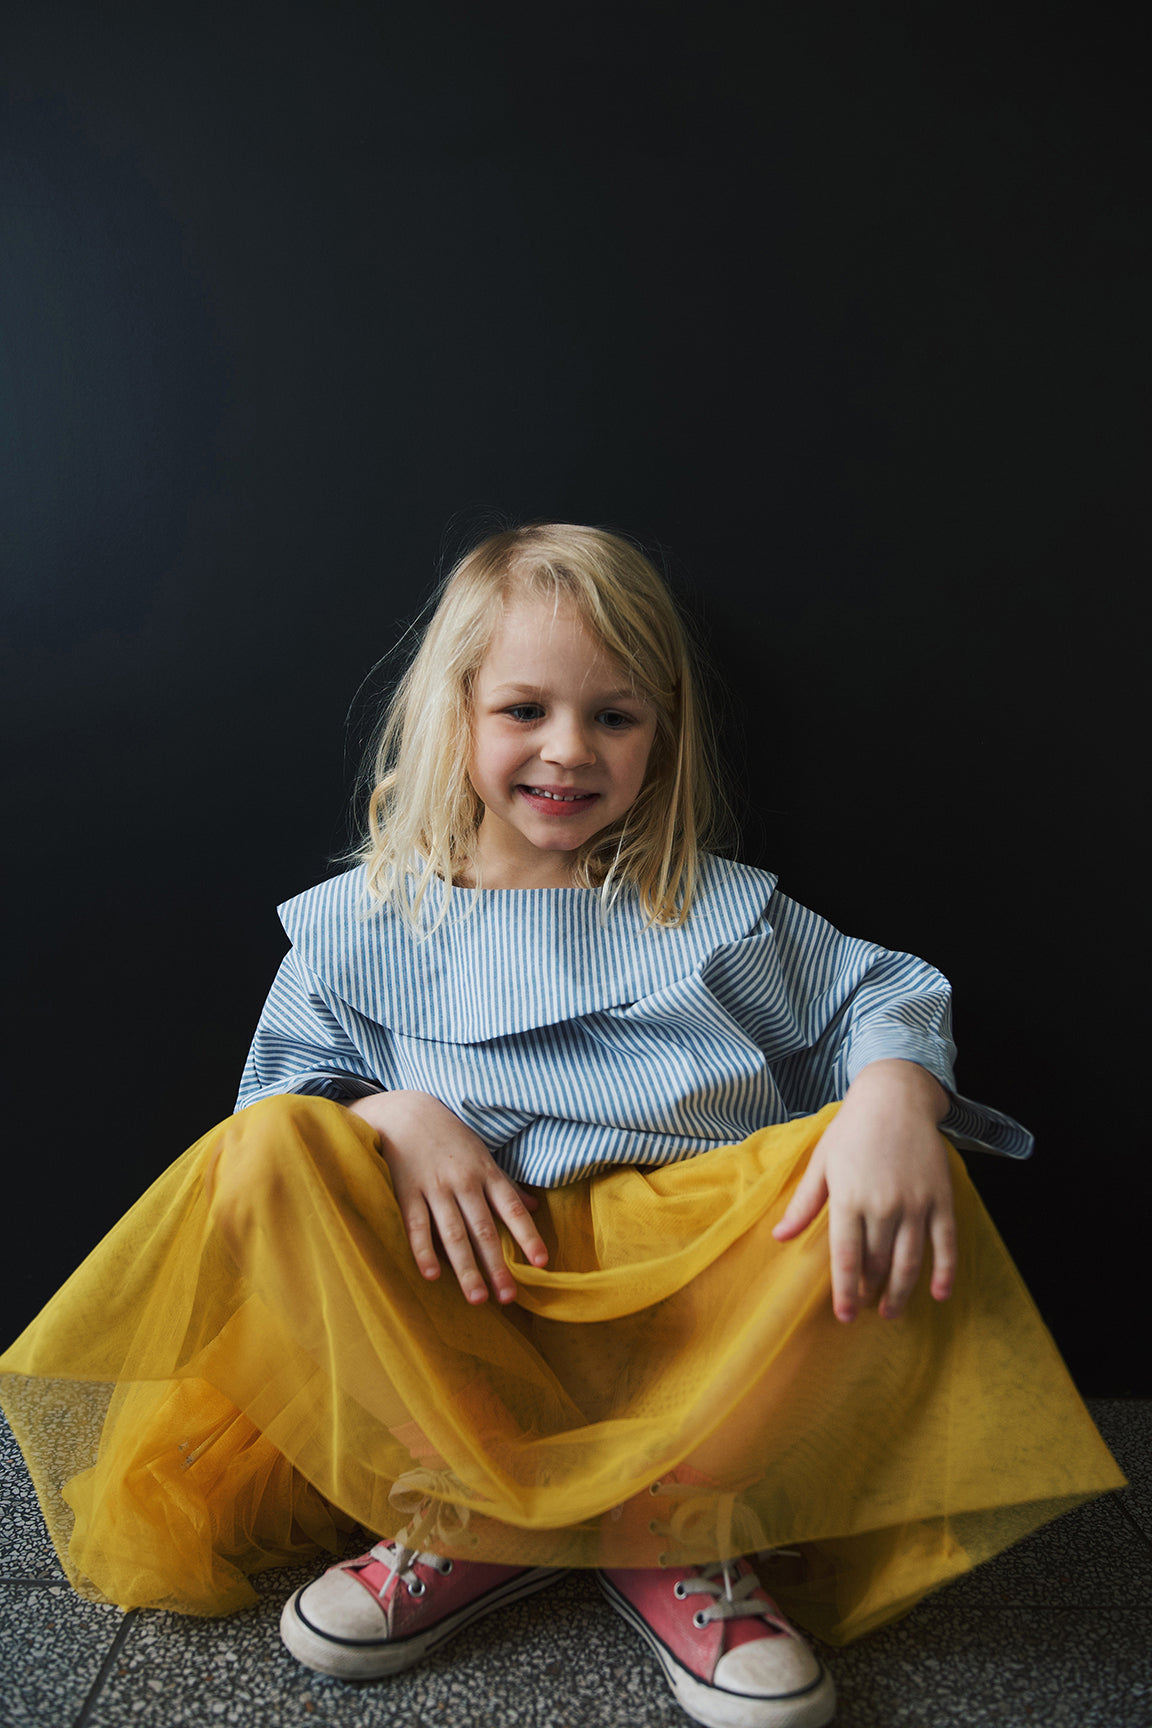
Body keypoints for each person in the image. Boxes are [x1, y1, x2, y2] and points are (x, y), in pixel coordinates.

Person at [0, 524, 1123, 1728]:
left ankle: (673, 1524)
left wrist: (896, 1100)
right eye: (524, 709)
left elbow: (886, 990)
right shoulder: (361, 927)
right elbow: (270, 1118)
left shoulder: (720, 918)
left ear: (664, 735)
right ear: (459, 715)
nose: (568, 751)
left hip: (684, 1335)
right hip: (462, 1328)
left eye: (616, 718)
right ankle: (475, 1509)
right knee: (271, 1151)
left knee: (887, 1158)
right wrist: (388, 1114)